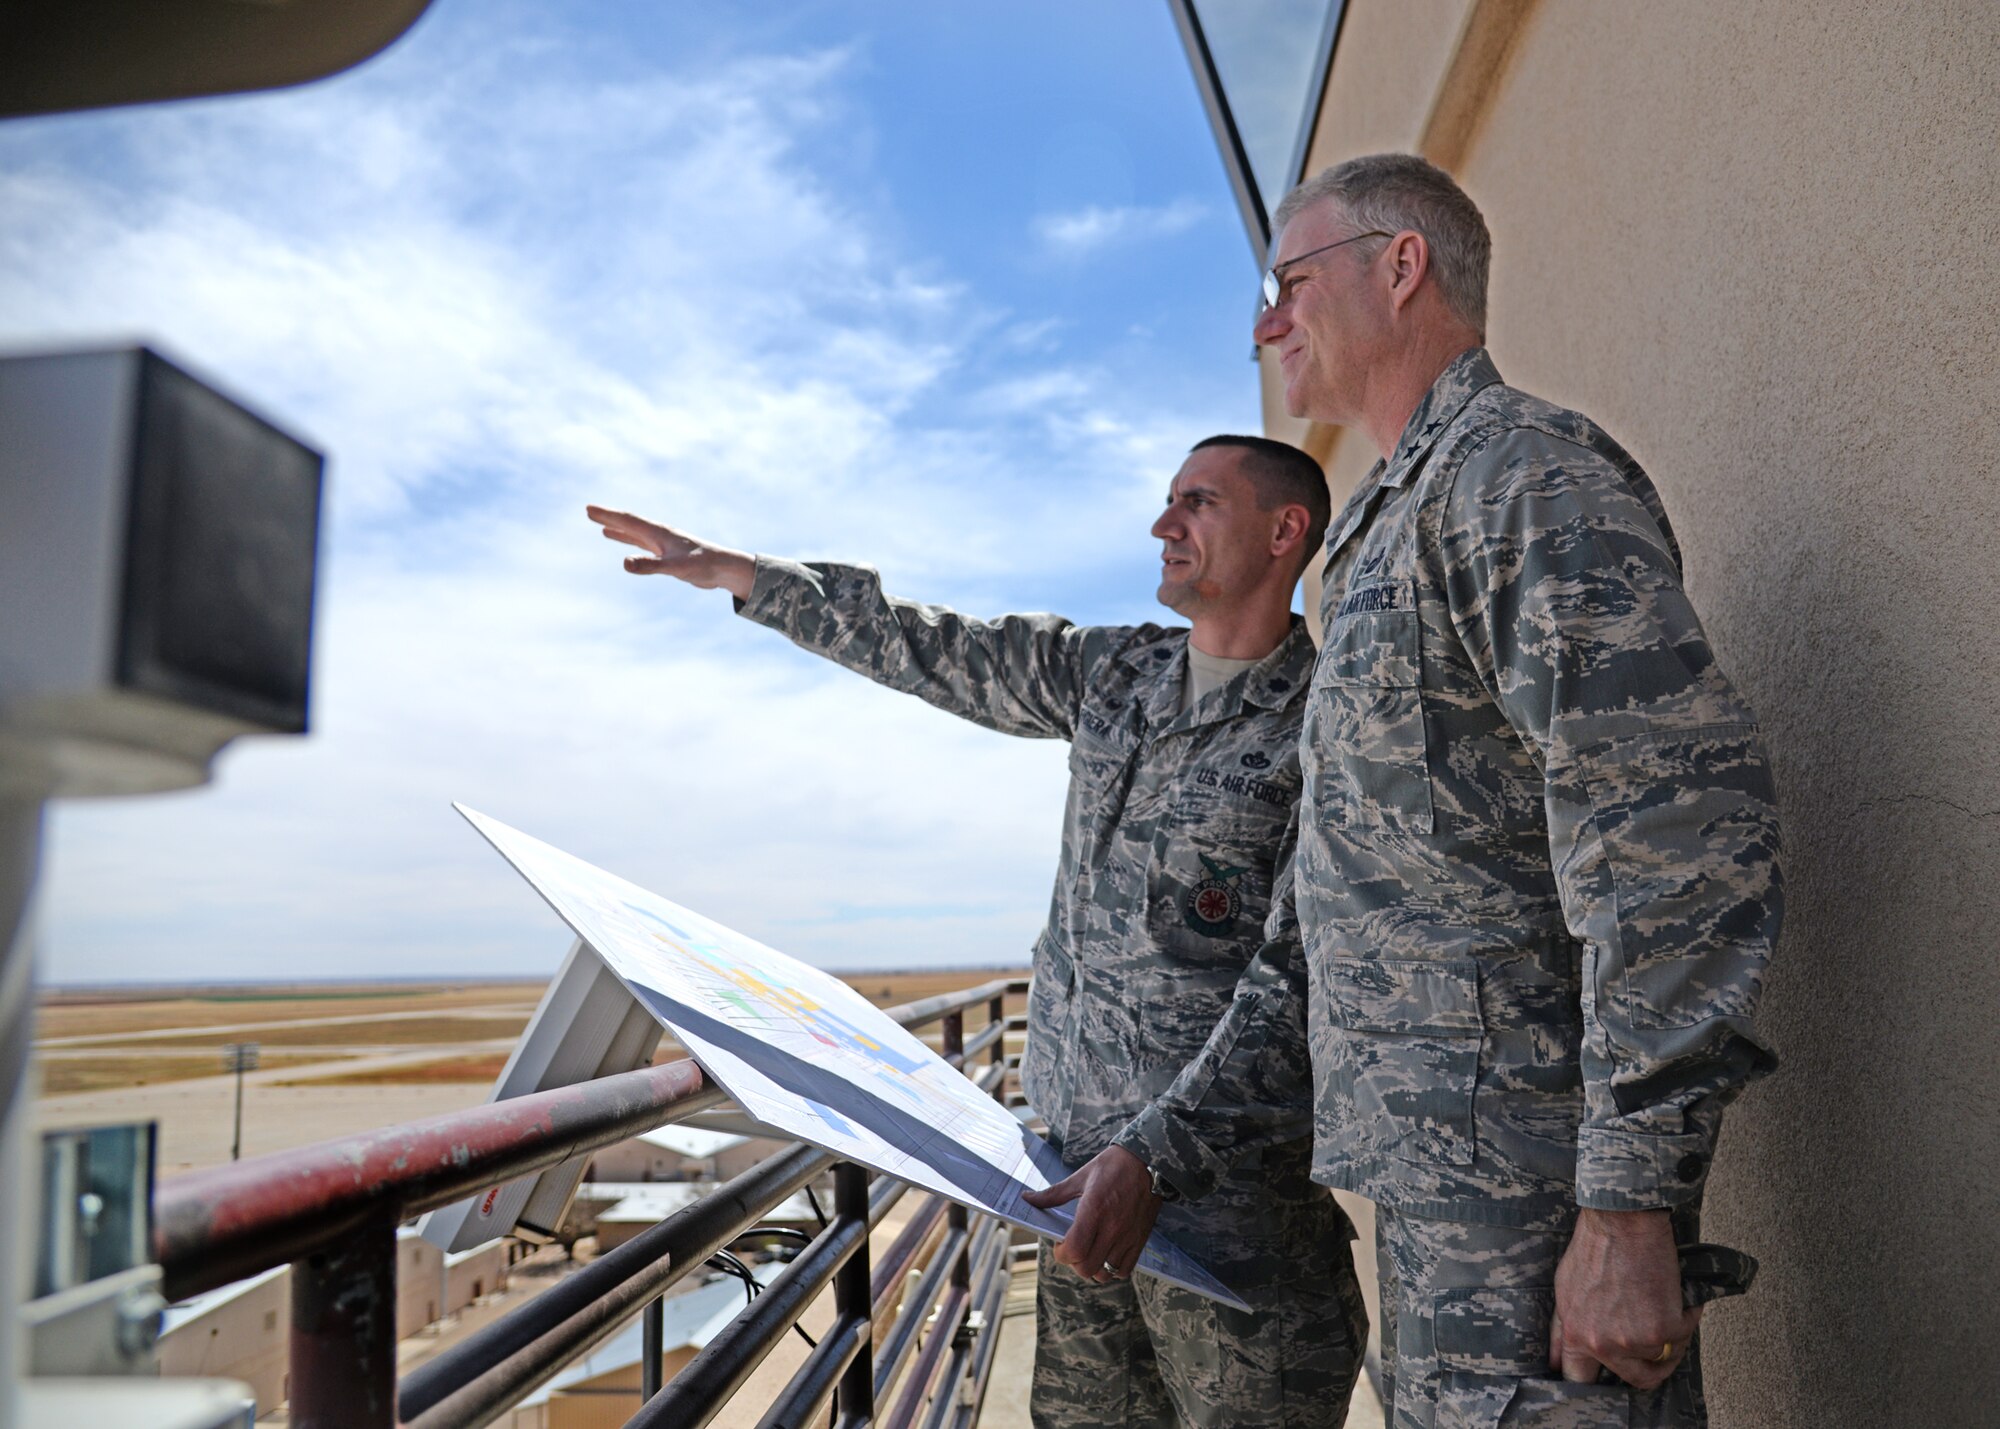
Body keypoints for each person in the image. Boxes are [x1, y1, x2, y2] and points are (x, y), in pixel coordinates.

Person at [586, 435, 1366, 1429]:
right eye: (1169, 499)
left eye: (1198, 502)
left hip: (1232, 1231)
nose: (1162, 524)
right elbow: (939, 647)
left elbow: (1299, 980)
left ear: (1284, 530)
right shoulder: (1115, 672)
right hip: (1073, 1201)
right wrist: (747, 576)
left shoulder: (1329, 725)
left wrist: (1154, 1156)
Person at [1234, 152, 1784, 1428]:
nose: (1266, 325)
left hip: (1541, 1198)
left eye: (1286, 284)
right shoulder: (1383, 524)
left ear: (1399, 267)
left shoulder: (1514, 477)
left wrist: (1627, 1201)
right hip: (1443, 1185)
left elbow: (1670, 830)